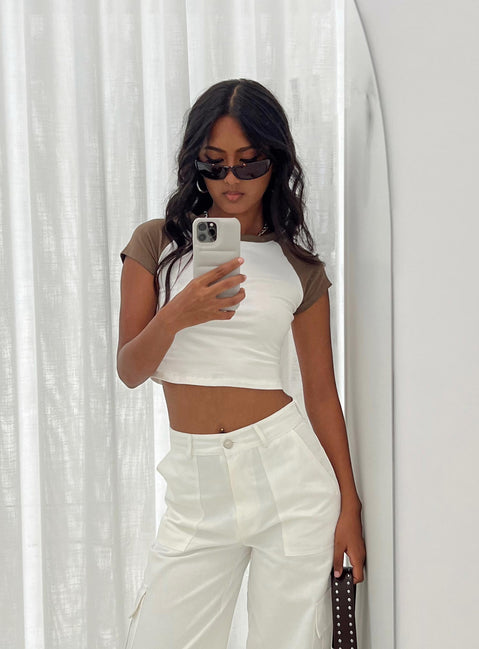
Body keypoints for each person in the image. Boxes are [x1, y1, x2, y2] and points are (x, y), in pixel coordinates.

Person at [117, 78, 366, 649]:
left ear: (275, 164)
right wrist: (179, 313)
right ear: (195, 164)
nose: (231, 180)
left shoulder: (298, 267)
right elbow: (130, 369)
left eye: (249, 163)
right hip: (196, 488)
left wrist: (349, 506)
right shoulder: (158, 245)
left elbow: (321, 393)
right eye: (215, 163)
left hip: (290, 481)